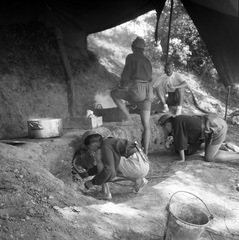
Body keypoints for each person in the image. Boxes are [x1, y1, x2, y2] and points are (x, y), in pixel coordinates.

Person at [110, 36, 154, 155]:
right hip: (148, 91)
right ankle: (146, 153)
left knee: (113, 94)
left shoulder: (131, 57)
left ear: (133, 47)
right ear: (143, 49)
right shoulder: (147, 60)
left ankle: (128, 118)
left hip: (138, 90)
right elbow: (150, 78)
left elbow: (126, 75)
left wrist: (122, 86)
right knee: (146, 125)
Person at [81, 130, 150, 200]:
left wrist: (92, 182)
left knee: (100, 156)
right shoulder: (108, 142)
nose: (90, 151)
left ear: (93, 145)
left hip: (137, 166)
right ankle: (139, 181)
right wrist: (89, 173)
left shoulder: (105, 146)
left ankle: (105, 192)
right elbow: (110, 165)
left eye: (89, 148)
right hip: (143, 164)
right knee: (112, 163)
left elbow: (109, 169)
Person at [158, 113, 239, 163]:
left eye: (165, 128)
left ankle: (237, 155)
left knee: (209, 157)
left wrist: (182, 159)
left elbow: (181, 143)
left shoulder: (177, 123)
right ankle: (223, 145)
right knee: (204, 148)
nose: (166, 130)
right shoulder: (179, 119)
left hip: (216, 128)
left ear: (168, 124)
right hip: (213, 124)